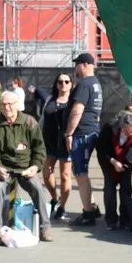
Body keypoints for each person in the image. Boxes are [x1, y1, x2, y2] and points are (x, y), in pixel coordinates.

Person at [0, 91, 53, 243]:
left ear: (18, 105)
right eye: (3, 104)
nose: (7, 107)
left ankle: (45, 227)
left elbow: (39, 149)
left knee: (38, 189)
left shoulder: (29, 122)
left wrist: (34, 167)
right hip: (4, 168)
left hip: (25, 167)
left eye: (10, 104)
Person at [64, 52, 103, 225]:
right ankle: (92, 207)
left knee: (80, 173)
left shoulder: (85, 84)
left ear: (85, 65)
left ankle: (87, 214)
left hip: (82, 133)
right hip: (92, 130)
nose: (75, 68)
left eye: (77, 64)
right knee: (83, 174)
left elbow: (77, 110)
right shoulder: (96, 84)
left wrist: (69, 133)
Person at [96, 111, 132, 231]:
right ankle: (111, 220)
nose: (130, 134)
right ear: (121, 127)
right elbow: (101, 149)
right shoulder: (109, 128)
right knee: (109, 191)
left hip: (126, 163)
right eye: (127, 131)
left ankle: (125, 219)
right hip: (109, 161)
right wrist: (113, 161)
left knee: (126, 191)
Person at [40, 73, 74, 221]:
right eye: (60, 82)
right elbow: (42, 120)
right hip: (49, 141)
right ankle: (55, 198)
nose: (63, 84)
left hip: (66, 143)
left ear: (71, 84)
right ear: (56, 84)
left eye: (67, 82)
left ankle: (62, 207)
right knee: (46, 173)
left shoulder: (74, 102)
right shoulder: (49, 100)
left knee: (65, 175)